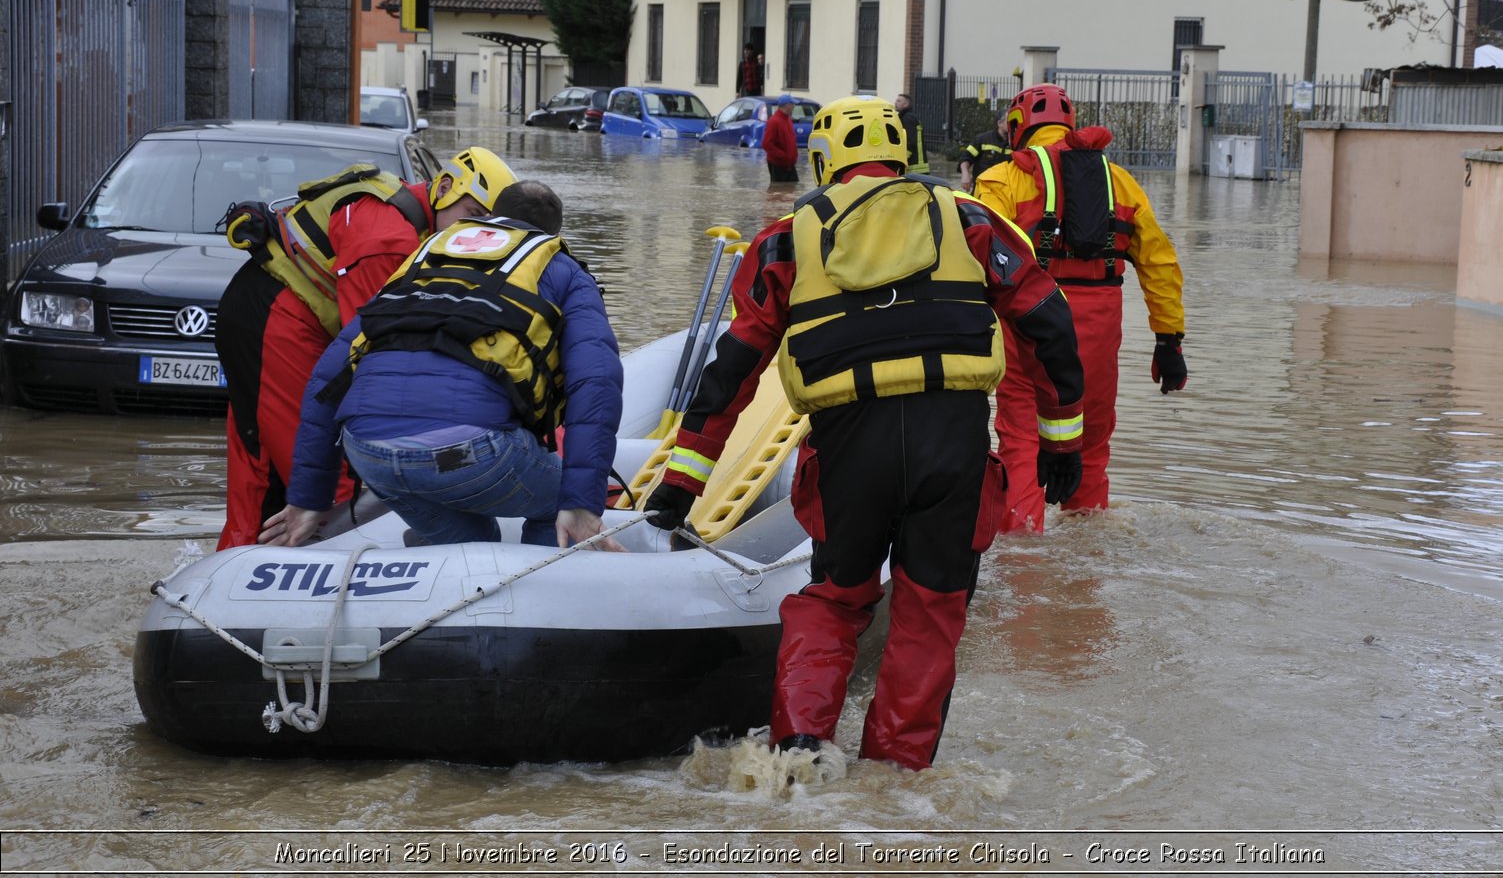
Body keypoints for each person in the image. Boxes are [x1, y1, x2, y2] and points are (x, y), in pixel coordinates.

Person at [644, 96, 1085, 771]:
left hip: (848, 446)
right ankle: (893, 784)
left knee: (834, 599)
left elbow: (730, 373)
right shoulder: (969, 220)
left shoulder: (785, 242)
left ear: (822, 160)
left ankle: (797, 753)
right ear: (904, 153)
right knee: (930, 612)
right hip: (952, 443)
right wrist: (1061, 443)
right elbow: (1049, 323)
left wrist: (681, 484)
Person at [259, 181, 625, 551]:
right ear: (552, 233)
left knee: (472, 542)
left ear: (492, 216)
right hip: (468, 452)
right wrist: (581, 503)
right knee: (560, 502)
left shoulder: (425, 257)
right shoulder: (562, 269)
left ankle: (458, 587)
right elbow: (596, 382)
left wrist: (308, 498)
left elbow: (328, 377)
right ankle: (541, 592)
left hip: (369, 454)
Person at [215, 147, 518, 549]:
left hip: (273, 313)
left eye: (489, 227)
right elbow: (377, 351)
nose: (473, 234)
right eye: (474, 215)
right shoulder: (388, 240)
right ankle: (260, 578)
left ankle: (237, 563)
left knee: (261, 463)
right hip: (276, 323)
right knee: (323, 481)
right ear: (445, 187)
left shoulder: (415, 223)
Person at [974, 83, 1187, 527]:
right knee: (1090, 447)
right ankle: (1085, 569)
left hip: (1029, 324)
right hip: (1101, 327)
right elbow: (1159, 261)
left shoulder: (1001, 179)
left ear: (1018, 128)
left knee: (1022, 440)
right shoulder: (1122, 182)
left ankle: (1023, 562)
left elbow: (976, 256)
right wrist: (1169, 341)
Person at [957, 113, 1011, 193]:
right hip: (982, 190)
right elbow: (966, 157)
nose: (1012, 124)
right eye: (1009, 121)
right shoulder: (983, 139)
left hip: (1004, 192)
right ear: (999, 123)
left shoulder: (1016, 143)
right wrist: (965, 175)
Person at [761, 94, 799, 182]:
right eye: (792, 104)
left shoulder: (788, 120)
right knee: (778, 192)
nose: (794, 106)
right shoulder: (774, 122)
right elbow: (766, 144)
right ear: (787, 106)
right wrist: (783, 157)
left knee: (792, 190)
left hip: (790, 164)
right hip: (778, 165)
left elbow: (791, 141)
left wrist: (794, 156)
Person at [893, 93, 928, 174]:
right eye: (896, 100)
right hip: (916, 165)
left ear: (906, 104)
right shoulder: (907, 117)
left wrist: (902, 159)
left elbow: (910, 142)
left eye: (899, 101)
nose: (895, 103)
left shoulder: (907, 118)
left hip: (914, 165)